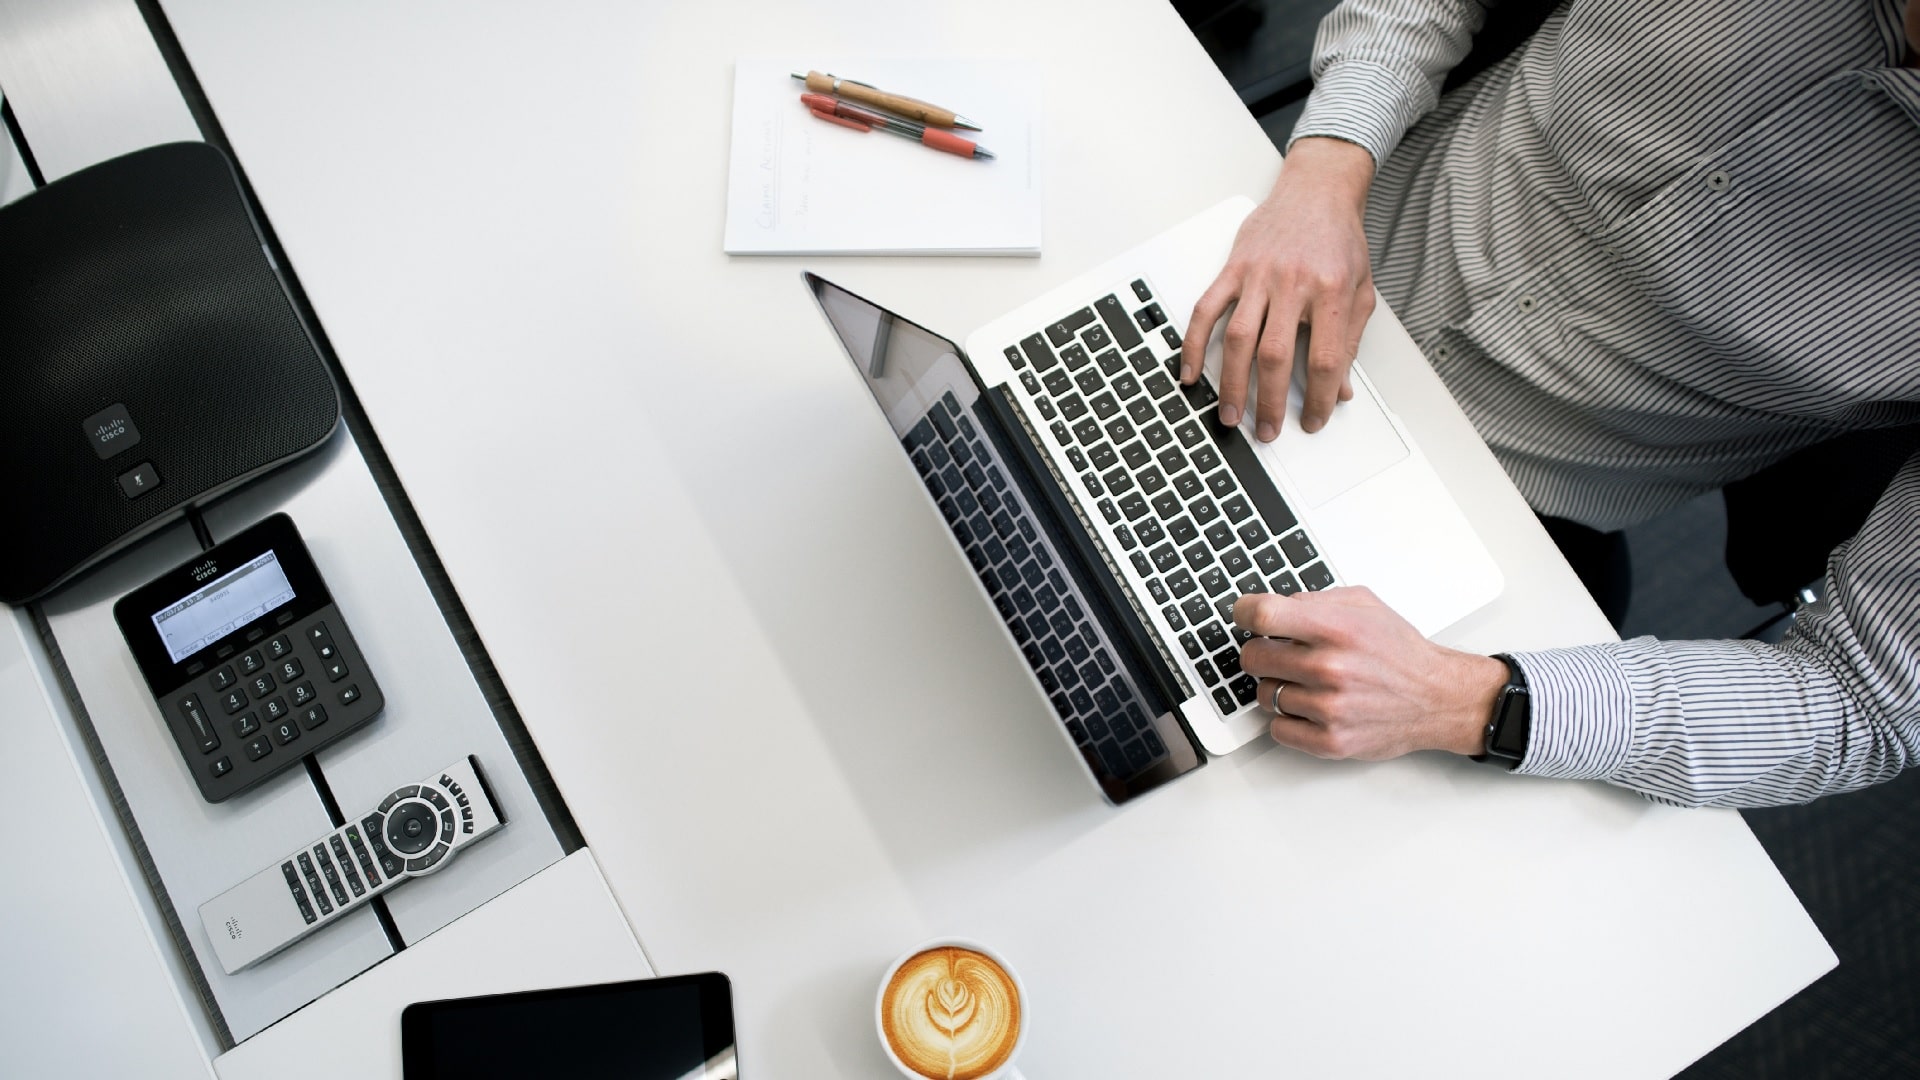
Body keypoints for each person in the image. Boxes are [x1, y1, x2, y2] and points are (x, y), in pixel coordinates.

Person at [1192, 0, 1920, 807]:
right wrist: (1326, 173)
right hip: (1281, 244)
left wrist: (1465, 700)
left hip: (1492, 516)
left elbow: (1864, 699)